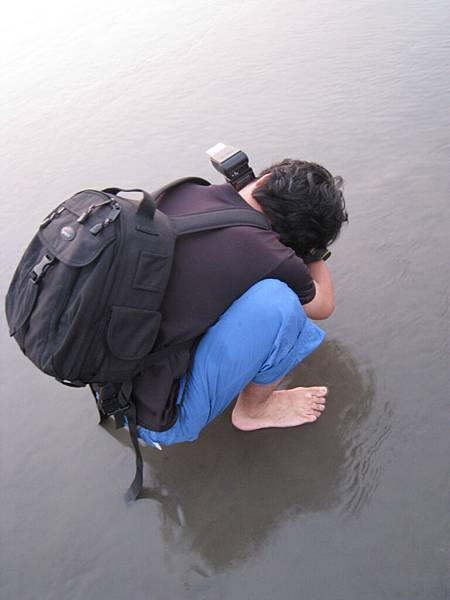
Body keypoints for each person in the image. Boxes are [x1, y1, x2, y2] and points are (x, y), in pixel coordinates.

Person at [132, 158, 348, 448]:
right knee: (281, 303)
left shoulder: (185, 191)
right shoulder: (270, 254)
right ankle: (254, 412)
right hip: (156, 421)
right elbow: (324, 306)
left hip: (106, 379)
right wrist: (312, 251)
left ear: (262, 180)